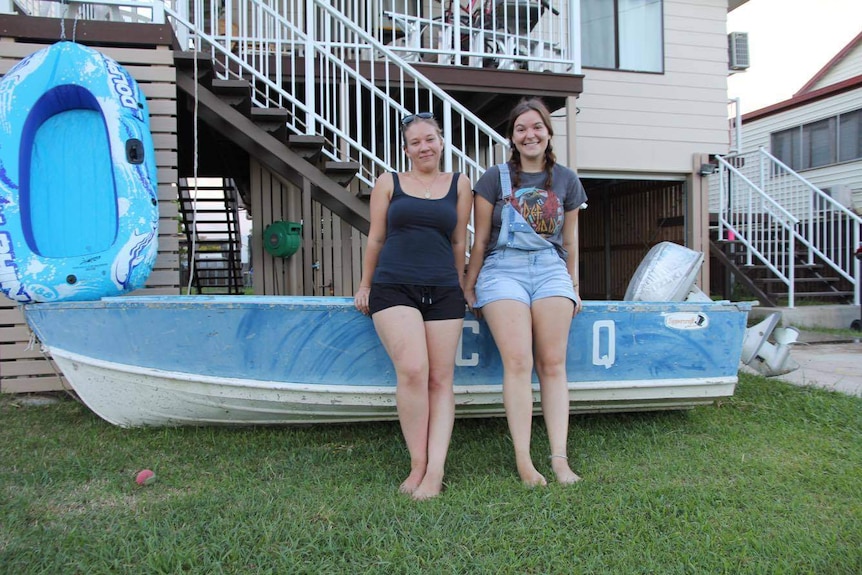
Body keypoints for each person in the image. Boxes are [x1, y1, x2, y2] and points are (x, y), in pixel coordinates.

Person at [464, 98, 587, 487]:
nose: (529, 134)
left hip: (550, 271)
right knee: (517, 362)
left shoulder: (566, 180)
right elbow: (480, 241)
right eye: (521, 129)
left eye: (537, 127)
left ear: (548, 133)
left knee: (552, 363)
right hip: (503, 270)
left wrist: (572, 284)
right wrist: (469, 284)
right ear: (512, 138)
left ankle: (559, 460)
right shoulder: (493, 179)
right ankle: (523, 460)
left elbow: (569, 241)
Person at [354, 112, 473, 500]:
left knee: (441, 380)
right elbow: (375, 238)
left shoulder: (460, 184)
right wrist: (365, 284)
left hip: (443, 290)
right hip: (393, 286)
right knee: (412, 370)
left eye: (430, 139)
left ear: (441, 142)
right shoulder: (388, 183)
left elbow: (458, 242)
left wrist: (458, 284)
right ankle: (417, 463)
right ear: (406, 149)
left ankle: (435, 471)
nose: (424, 147)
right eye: (415, 142)